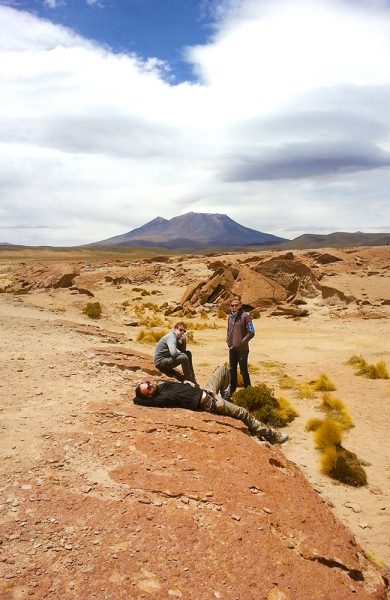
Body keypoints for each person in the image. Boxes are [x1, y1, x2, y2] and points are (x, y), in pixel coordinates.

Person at [133, 363, 288, 444]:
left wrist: (186, 382)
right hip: (210, 402)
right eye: (149, 388)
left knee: (223, 369)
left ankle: (227, 396)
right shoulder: (159, 399)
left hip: (207, 390)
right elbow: (138, 400)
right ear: (149, 396)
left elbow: (173, 383)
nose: (151, 384)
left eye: (148, 383)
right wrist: (140, 398)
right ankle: (270, 434)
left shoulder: (161, 387)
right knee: (243, 412)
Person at [227, 296, 255, 395]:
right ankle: (232, 390)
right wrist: (228, 342)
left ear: (240, 305)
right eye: (232, 305)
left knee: (243, 371)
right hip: (232, 349)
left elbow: (251, 332)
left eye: (236, 305)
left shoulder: (245, 316)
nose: (234, 307)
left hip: (242, 350)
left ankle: (249, 391)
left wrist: (243, 341)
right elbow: (229, 331)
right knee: (232, 370)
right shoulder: (230, 317)